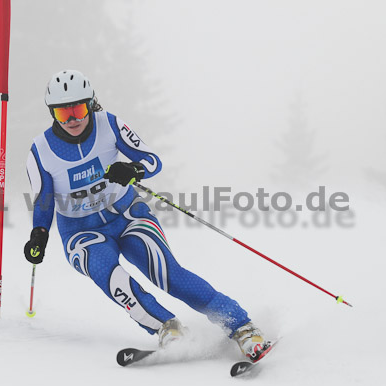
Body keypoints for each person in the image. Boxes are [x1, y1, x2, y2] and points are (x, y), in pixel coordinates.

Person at [24, 69, 270, 361]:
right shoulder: (40, 150)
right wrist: (39, 234)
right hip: (80, 231)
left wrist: (133, 170)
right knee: (110, 275)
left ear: (91, 104)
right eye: (63, 114)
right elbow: (43, 201)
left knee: (167, 273)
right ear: (52, 114)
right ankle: (168, 328)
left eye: (78, 109)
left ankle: (242, 327)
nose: (73, 119)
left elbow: (152, 161)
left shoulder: (110, 125)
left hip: (127, 214)